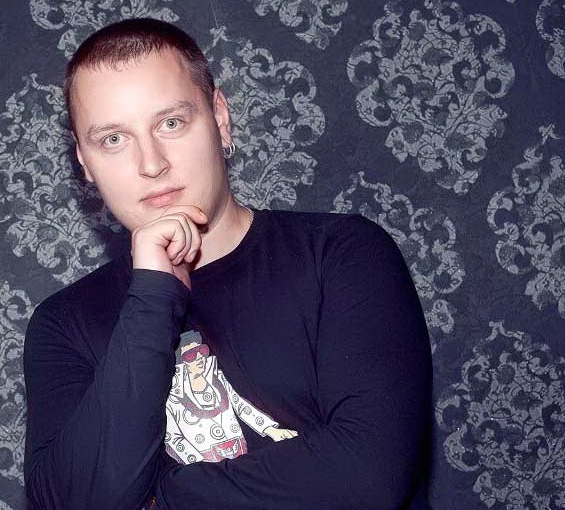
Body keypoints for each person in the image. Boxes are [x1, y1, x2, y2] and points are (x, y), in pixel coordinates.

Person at [23, 17, 432, 510]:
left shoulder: (341, 254)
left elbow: (369, 476)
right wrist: (152, 300)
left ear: (219, 117)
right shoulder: (63, 324)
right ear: (84, 161)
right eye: (113, 139)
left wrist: (158, 499)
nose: (151, 163)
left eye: (171, 123)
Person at [165, 330, 297, 464]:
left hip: (239, 451)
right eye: (190, 355)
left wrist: (270, 430)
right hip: (205, 463)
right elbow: (172, 437)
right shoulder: (172, 397)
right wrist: (199, 465)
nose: (199, 357)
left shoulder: (219, 379)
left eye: (201, 350)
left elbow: (241, 405)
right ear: (179, 363)